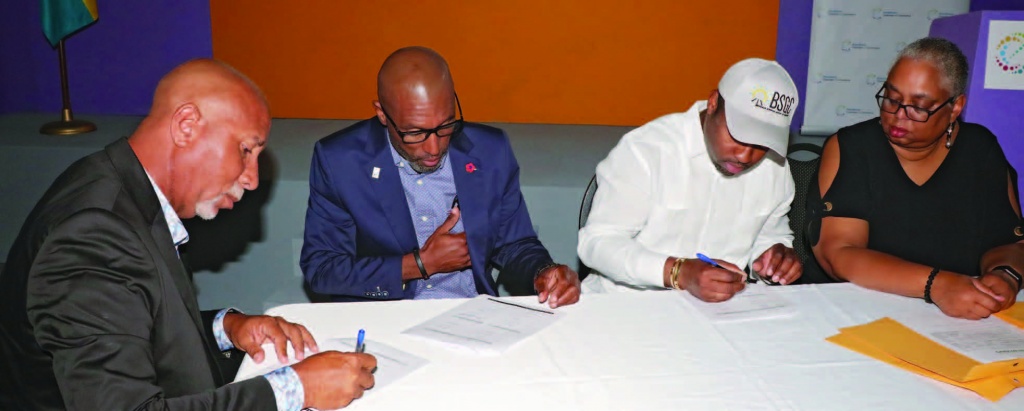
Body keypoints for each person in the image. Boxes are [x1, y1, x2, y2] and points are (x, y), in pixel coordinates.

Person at [0, 59, 376, 411]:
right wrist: (294, 388)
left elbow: (135, 323)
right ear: (186, 126)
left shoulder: (116, 185)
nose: (252, 178)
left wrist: (226, 327)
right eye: (246, 149)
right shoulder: (94, 234)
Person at [301, 46, 580, 307]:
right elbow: (322, 269)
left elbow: (514, 243)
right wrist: (419, 264)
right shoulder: (340, 161)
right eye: (414, 133)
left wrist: (545, 272)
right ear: (382, 114)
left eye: (446, 125)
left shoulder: (489, 151)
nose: (433, 148)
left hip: (472, 314)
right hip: (385, 319)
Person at [809, 37, 1023, 320]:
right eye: (892, 99)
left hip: (960, 318)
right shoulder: (853, 147)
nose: (899, 116)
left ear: (955, 108)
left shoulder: (980, 149)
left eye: (919, 107)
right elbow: (840, 253)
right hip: (860, 315)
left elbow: (1010, 243)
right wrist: (936, 284)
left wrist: (1005, 275)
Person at [578, 58, 803, 302]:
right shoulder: (647, 151)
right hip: (626, 308)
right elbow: (598, 243)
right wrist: (677, 272)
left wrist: (775, 258)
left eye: (761, 144)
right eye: (738, 135)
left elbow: (770, 235)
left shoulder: (774, 167)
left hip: (722, 312)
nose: (745, 156)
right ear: (714, 103)